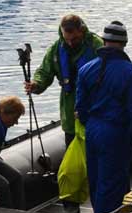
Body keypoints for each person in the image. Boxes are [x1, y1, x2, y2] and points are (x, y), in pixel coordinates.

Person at [75, 21, 132, 213]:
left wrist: (90, 124)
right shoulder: (130, 72)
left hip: (92, 130)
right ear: (124, 43)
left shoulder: (86, 69)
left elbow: (80, 107)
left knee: (96, 177)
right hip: (116, 132)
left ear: (104, 41)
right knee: (111, 181)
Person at [24, 14, 103, 147]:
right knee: (71, 144)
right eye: (67, 39)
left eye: (75, 38)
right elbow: (44, 71)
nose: (70, 43)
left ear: (82, 30)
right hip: (69, 109)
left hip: (95, 108)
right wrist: (36, 84)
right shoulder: (56, 49)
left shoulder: (97, 45)